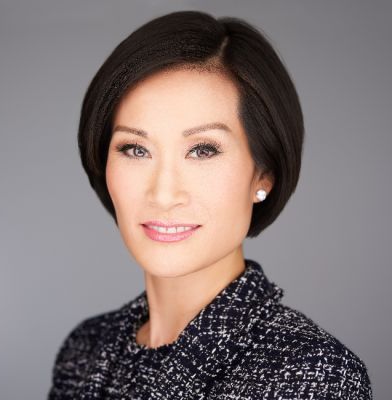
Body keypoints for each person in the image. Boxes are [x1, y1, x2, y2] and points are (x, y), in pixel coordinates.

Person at [47, 10, 373, 399]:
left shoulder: (313, 374)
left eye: (203, 150)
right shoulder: (85, 351)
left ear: (263, 174)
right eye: (135, 149)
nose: (164, 194)